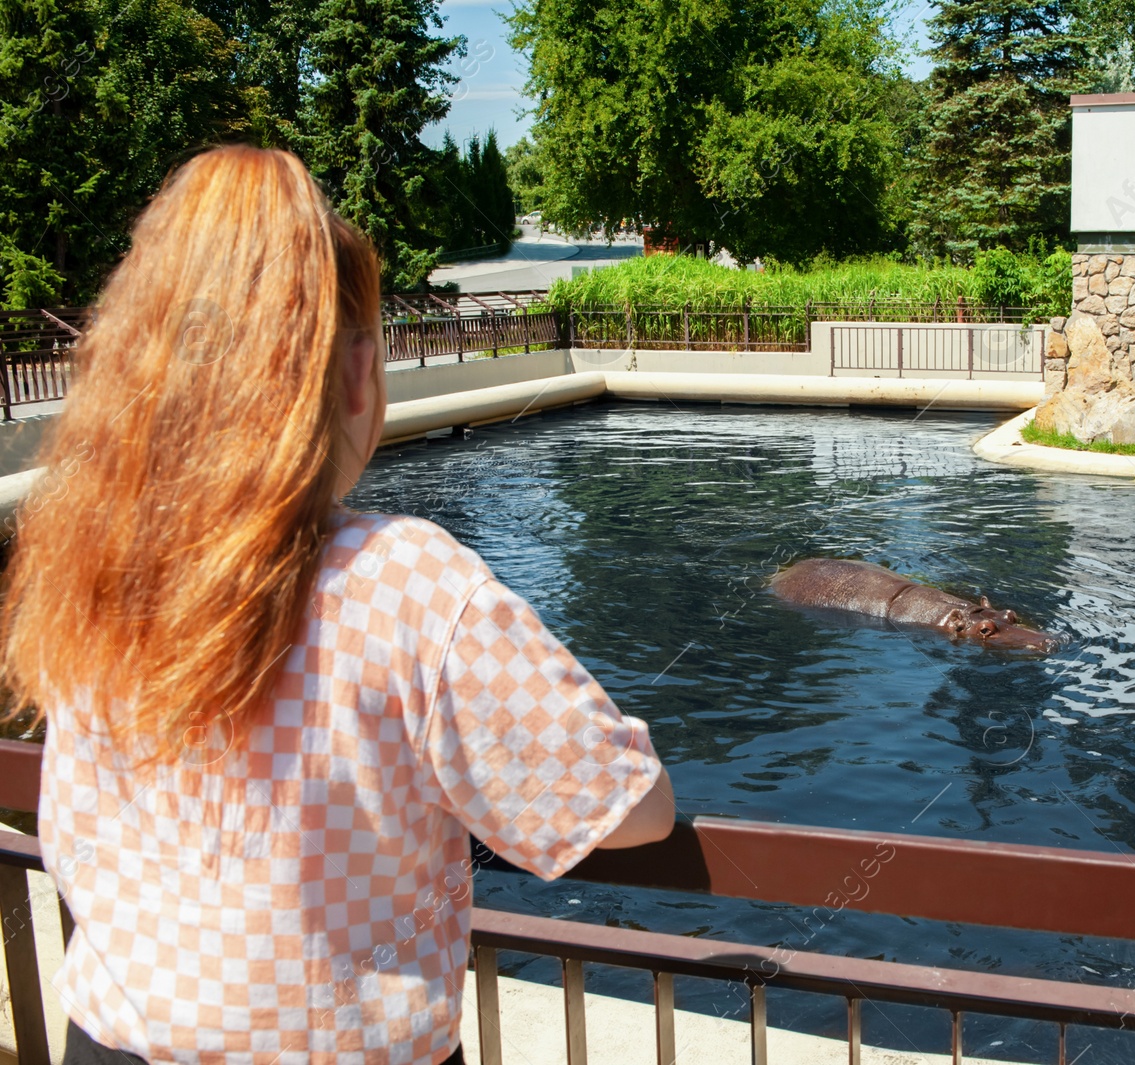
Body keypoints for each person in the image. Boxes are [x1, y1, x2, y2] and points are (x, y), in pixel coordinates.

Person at [0, 145, 674, 1065]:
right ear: (356, 373)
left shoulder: (87, 563)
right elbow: (628, 808)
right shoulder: (408, 586)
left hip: (106, 1042)